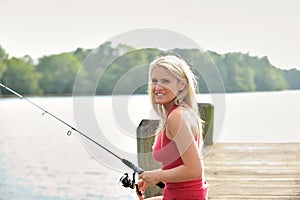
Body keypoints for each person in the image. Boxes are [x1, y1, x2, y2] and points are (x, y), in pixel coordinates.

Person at [137, 55, 208, 200]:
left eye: (165, 81)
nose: (157, 87)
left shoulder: (176, 117)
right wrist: (152, 177)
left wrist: (157, 176)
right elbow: (181, 165)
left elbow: (194, 170)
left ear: (182, 84)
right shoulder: (183, 111)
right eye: (154, 81)